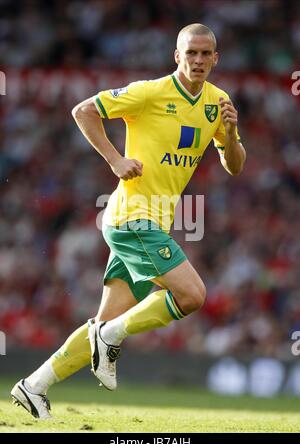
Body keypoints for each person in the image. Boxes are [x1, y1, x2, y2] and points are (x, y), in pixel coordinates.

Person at [11, 23, 246, 419]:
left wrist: (233, 133)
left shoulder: (218, 103)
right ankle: (111, 337)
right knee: (192, 296)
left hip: (154, 223)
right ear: (177, 56)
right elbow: (83, 111)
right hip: (131, 220)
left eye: (206, 54)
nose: (199, 60)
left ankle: (34, 386)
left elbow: (234, 167)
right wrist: (115, 160)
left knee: (104, 320)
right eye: (191, 53)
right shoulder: (151, 92)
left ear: (216, 58)